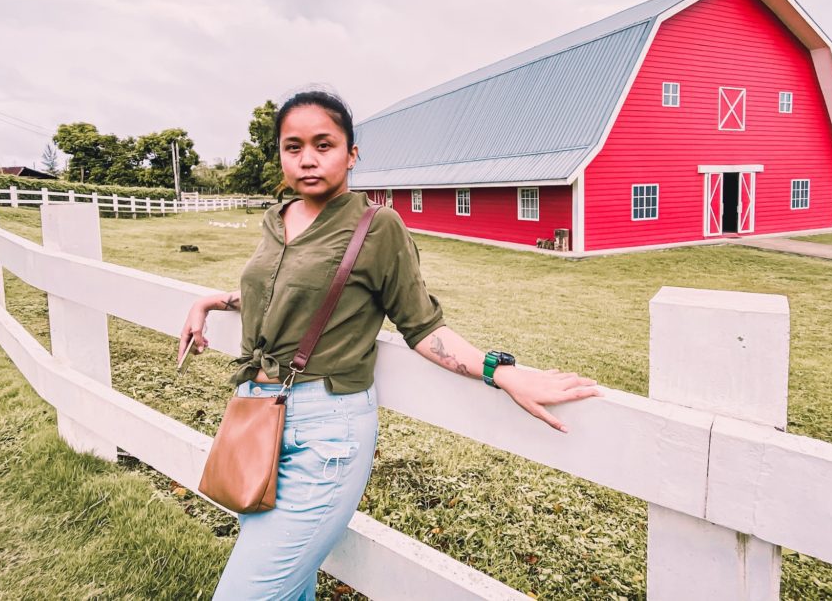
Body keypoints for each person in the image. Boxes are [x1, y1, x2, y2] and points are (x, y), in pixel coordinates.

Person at [179, 89, 602, 599]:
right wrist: (213, 301)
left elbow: (422, 327)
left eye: (324, 144)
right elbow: (278, 293)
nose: (308, 158)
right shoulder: (279, 218)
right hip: (257, 420)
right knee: (289, 588)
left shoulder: (376, 227)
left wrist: (499, 370)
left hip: (326, 435)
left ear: (352, 154)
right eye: (293, 147)